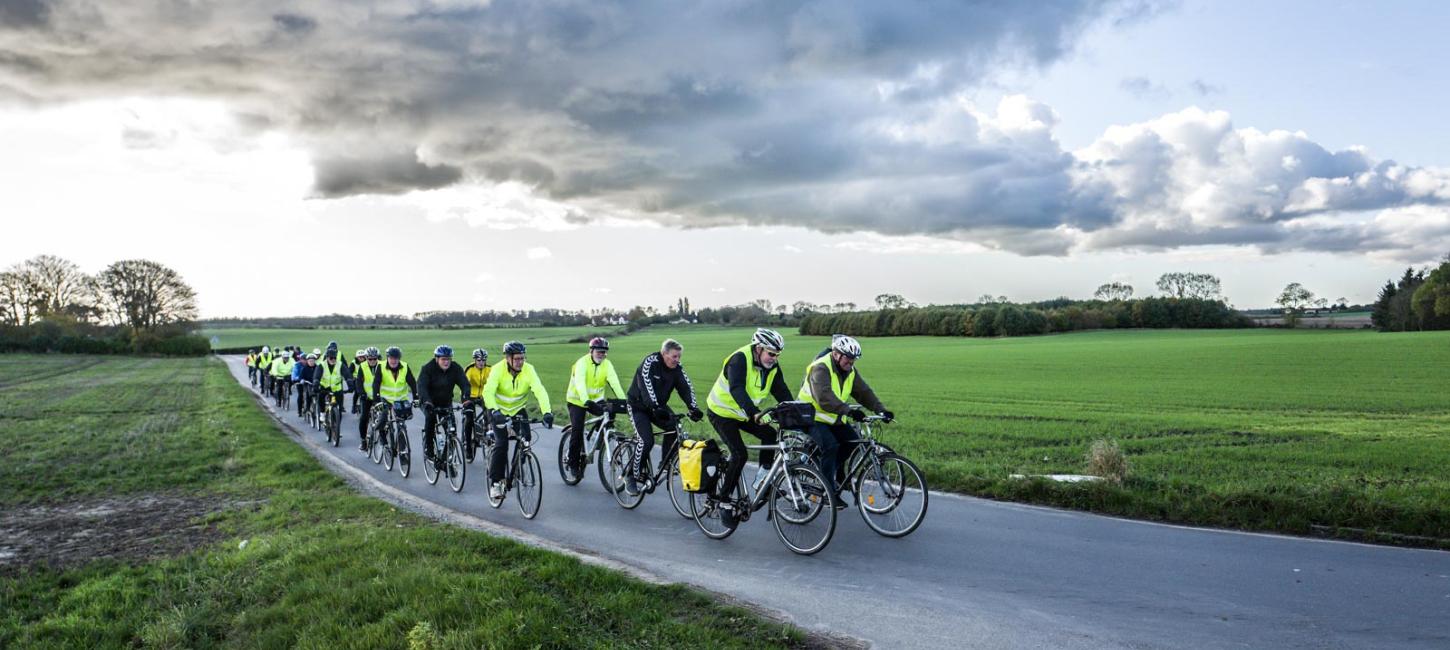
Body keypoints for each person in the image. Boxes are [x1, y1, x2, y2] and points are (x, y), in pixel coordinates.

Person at [705, 328, 792, 525]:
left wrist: (794, 411)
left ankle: (762, 480)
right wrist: (754, 413)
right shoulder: (739, 359)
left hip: (744, 413)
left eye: (778, 355)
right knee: (739, 454)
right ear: (758, 348)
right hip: (722, 412)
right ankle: (724, 501)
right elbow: (737, 389)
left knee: (770, 434)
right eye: (771, 354)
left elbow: (782, 391)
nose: (774, 358)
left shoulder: (772, 367)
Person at [797, 335, 893, 503]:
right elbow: (824, 397)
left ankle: (827, 471)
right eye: (848, 358)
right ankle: (828, 492)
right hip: (810, 415)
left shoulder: (849, 371)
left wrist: (881, 410)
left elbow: (863, 392)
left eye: (854, 359)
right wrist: (848, 411)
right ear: (836, 354)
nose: (851, 362)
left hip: (832, 417)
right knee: (831, 446)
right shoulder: (821, 368)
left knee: (853, 443)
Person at [623, 338, 703, 495]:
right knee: (646, 440)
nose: (677, 360)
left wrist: (693, 408)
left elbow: (686, 388)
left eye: (679, 357)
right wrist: (654, 407)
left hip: (658, 406)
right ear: (664, 353)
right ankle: (630, 475)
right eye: (674, 356)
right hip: (638, 406)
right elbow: (646, 386)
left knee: (675, 426)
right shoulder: (650, 362)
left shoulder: (677, 369)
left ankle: (665, 463)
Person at [481, 341, 552, 500]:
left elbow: (539, 390)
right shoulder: (497, 370)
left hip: (518, 409)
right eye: (517, 359)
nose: (521, 362)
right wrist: (494, 410)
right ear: (508, 358)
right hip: (498, 410)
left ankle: (517, 467)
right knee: (502, 444)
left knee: (526, 439)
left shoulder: (529, 370)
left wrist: (547, 412)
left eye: (523, 358)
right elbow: (488, 391)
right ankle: (495, 483)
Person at [563, 337, 627, 480]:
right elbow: (580, 383)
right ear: (591, 351)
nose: (602, 355)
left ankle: (595, 439)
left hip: (596, 399)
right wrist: (586, 400)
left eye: (604, 352)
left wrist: (624, 401)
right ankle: (573, 463)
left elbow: (614, 382)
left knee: (610, 414)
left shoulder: (607, 364)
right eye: (599, 352)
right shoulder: (582, 363)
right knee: (577, 430)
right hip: (577, 400)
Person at [415, 345, 471, 465]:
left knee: (451, 430)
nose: (446, 362)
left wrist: (465, 399)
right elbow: (422, 387)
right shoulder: (428, 368)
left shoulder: (455, 368)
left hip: (445, 402)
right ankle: (429, 450)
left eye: (448, 359)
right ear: (437, 359)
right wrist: (427, 401)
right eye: (443, 359)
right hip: (428, 402)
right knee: (430, 419)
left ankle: (446, 460)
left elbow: (465, 384)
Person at [372, 346, 418, 433]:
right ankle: (384, 443)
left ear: (399, 358)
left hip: (400, 399)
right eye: (391, 358)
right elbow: (376, 384)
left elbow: (412, 383)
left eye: (396, 358)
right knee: (383, 418)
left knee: (402, 421)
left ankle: (402, 444)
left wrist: (416, 397)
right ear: (387, 358)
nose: (393, 361)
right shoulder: (381, 366)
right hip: (386, 398)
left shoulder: (404, 366)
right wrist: (377, 400)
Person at [316, 347, 354, 424]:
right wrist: (315, 384)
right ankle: (322, 414)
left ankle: (336, 428)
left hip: (337, 389)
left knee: (339, 410)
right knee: (321, 397)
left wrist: (350, 385)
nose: (333, 359)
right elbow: (317, 376)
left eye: (335, 357)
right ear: (327, 358)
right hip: (325, 387)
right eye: (331, 358)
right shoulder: (322, 365)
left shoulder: (340, 364)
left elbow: (347, 375)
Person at [355, 347, 383, 451]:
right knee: (363, 418)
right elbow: (358, 382)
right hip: (366, 397)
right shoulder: (362, 366)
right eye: (370, 359)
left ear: (377, 358)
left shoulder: (383, 365)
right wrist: (361, 393)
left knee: (384, 418)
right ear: (366, 358)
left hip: (379, 397)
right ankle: (363, 441)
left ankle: (384, 439)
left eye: (374, 359)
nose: (372, 361)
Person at [463, 348, 491, 440]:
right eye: (479, 360)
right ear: (475, 360)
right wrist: (466, 398)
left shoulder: (490, 369)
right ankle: (467, 442)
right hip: (469, 395)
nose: (481, 363)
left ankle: (486, 430)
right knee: (469, 417)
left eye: (483, 360)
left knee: (490, 412)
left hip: (483, 395)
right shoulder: (470, 369)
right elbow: (465, 384)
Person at [351, 349, 367, 414]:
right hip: (356, 380)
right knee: (357, 393)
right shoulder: (353, 362)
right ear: (357, 357)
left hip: (365, 379)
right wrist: (351, 378)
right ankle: (354, 406)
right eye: (360, 357)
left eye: (363, 357)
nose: (361, 358)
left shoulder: (367, 362)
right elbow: (349, 371)